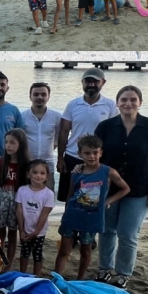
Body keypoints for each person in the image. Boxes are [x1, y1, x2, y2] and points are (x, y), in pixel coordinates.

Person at [94, 86, 148, 289]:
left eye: (133, 99)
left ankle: (123, 273)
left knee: (128, 234)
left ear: (140, 102)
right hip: (108, 188)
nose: (128, 103)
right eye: (124, 99)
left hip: (139, 188)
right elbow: (96, 156)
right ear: (116, 103)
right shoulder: (105, 127)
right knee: (107, 230)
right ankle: (104, 269)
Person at [55, 135, 129, 281]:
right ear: (80, 154)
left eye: (95, 152)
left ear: (101, 153)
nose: (91, 156)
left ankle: (80, 279)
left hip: (91, 219)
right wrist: (65, 214)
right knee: (64, 249)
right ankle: (56, 278)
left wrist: (108, 201)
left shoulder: (108, 172)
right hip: (72, 216)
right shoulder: (77, 172)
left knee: (86, 250)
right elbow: (70, 195)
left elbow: (125, 189)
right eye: (87, 153)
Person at [56, 67, 117, 202]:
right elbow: (64, 132)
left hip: (96, 158)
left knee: (90, 198)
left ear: (103, 82)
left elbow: (114, 133)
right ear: (82, 82)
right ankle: (68, 221)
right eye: (87, 81)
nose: (91, 85)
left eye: (95, 82)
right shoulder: (73, 104)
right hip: (72, 156)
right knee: (69, 196)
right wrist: (60, 157)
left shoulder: (110, 105)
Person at [0, 128, 30, 271]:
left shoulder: (26, 165)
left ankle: (8, 264)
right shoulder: (0, 163)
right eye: (6, 142)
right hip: (1, 200)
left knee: (13, 234)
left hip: (16, 202)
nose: (8, 145)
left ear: (21, 144)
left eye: (12, 143)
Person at [14, 160, 55, 275]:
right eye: (35, 172)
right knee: (24, 252)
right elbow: (19, 211)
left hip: (39, 231)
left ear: (47, 176)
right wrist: (21, 230)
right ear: (29, 174)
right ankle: (22, 274)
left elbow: (44, 214)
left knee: (37, 254)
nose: (38, 175)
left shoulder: (48, 194)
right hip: (25, 229)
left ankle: (36, 276)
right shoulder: (22, 190)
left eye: (42, 173)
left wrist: (36, 231)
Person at [21, 82, 61, 191]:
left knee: (47, 197)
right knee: (25, 196)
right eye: (36, 94)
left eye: (43, 94)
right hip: (27, 164)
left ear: (48, 97)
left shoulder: (56, 117)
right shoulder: (22, 116)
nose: (39, 97)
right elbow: (19, 141)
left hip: (48, 164)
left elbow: (59, 138)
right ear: (30, 97)